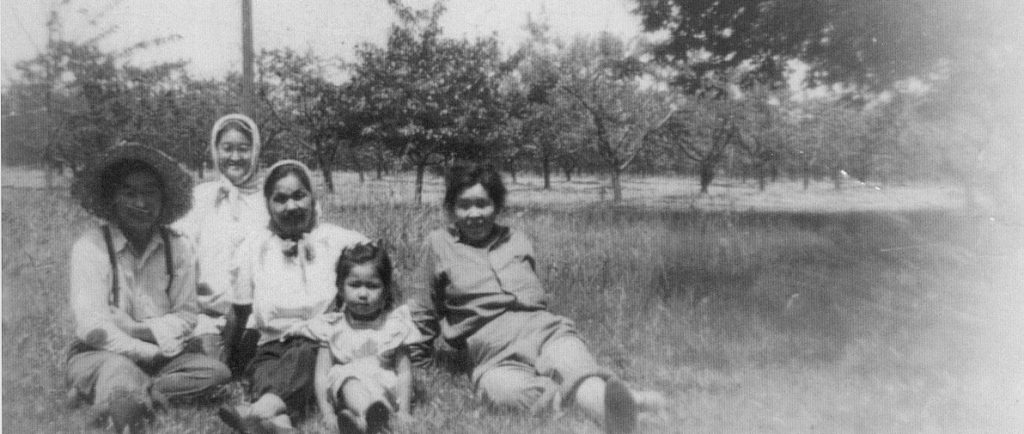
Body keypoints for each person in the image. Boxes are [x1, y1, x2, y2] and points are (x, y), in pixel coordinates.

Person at [408, 164, 663, 434]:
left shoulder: (517, 240)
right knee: (502, 392)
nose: (474, 214)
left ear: (497, 206)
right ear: (451, 209)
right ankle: (624, 405)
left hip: (544, 331)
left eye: (482, 204)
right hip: (491, 350)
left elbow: (534, 294)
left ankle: (609, 409)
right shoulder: (437, 244)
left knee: (575, 366)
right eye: (464, 206)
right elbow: (422, 307)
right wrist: (417, 359)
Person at [67, 143, 231, 433]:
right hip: (104, 352)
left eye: (150, 192)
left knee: (215, 373)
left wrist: (137, 330)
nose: (141, 203)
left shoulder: (178, 247)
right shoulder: (90, 247)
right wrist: (144, 351)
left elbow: (186, 315)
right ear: (112, 198)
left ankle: (121, 395)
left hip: (163, 354)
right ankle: (126, 398)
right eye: (129, 193)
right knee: (118, 370)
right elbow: (94, 326)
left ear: (163, 198)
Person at [218, 160, 370, 434]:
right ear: (268, 204)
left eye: (299, 196)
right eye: (281, 199)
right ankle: (279, 425)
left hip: (321, 343)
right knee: (264, 371)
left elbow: (377, 272)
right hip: (270, 345)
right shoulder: (255, 246)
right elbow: (240, 310)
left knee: (303, 358)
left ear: (313, 197)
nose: (291, 207)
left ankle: (258, 411)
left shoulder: (336, 240)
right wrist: (227, 357)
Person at [282, 241, 422, 434]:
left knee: (361, 382)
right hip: (350, 389)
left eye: (372, 286)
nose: (363, 294)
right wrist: (328, 413)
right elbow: (322, 376)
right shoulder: (333, 328)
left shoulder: (394, 327)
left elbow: (404, 372)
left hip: (386, 386)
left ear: (386, 290)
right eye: (355, 285)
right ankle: (372, 417)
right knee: (347, 378)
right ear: (340, 288)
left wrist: (405, 411)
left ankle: (376, 417)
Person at [175, 114, 268, 367]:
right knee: (213, 365)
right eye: (227, 149)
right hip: (208, 313)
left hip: (256, 315)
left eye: (243, 149)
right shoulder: (200, 198)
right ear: (216, 151)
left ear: (256, 151)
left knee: (253, 361)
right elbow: (179, 252)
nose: (235, 157)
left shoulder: (269, 199)